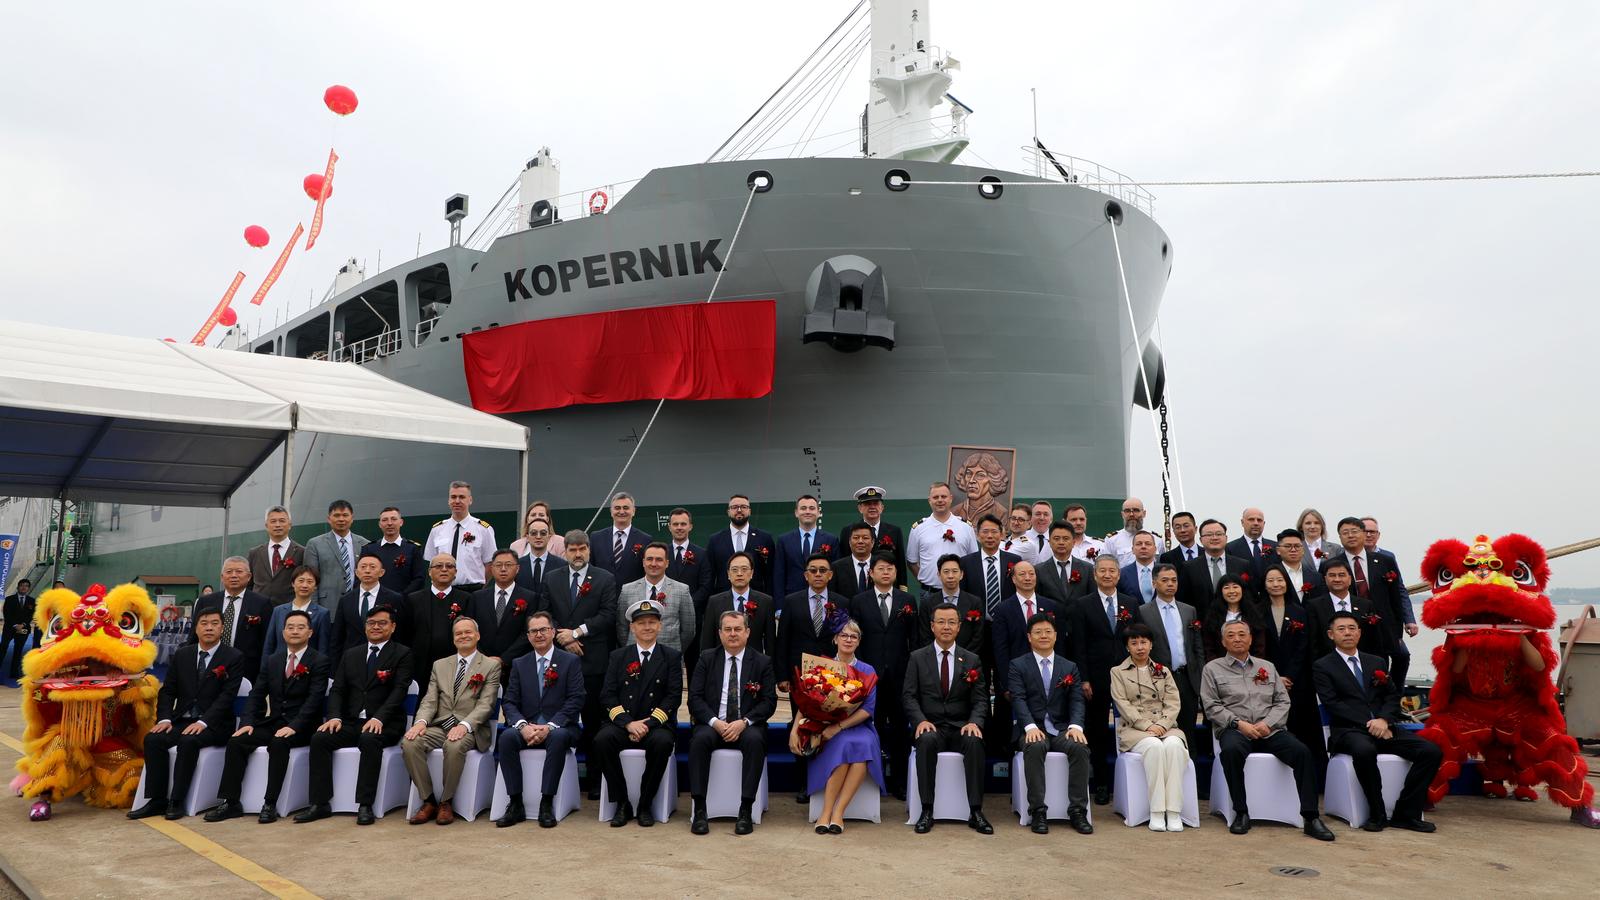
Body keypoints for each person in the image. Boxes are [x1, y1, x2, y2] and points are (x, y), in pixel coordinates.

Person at [1202, 620, 1335, 841]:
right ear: (1223, 641)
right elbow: (1211, 706)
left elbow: (1282, 702)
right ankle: (1241, 812)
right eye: (1232, 635)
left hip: (1269, 730)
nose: (1237, 639)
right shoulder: (1212, 669)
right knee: (1232, 752)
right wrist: (1239, 724)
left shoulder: (1267, 667)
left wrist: (1268, 724)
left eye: (1242, 634)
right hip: (1236, 729)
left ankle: (1311, 817)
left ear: (1250, 639)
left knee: (1302, 753)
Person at [1313, 612, 1440, 833]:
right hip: (1348, 731)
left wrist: (1383, 720)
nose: (1347, 633)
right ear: (1331, 634)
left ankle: (1406, 813)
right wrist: (1371, 723)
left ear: (1360, 633)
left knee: (1430, 751)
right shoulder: (1323, 666)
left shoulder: (1376, 661)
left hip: (1385, 726)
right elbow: (1333, 704)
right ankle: (1377, 812)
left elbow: (1392, 696)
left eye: (1352, 628)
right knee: (1364, 750)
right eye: (1341, 629)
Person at [205, 609, 330, 823]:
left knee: (279, 742)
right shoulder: (274, 660)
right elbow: (256, 694)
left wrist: (295, 726)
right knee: (237, 741)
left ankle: (270, 803)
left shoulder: (319, 660)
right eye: (290, 627)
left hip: (303, 727)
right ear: (283, 633)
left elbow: (314, 700)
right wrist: (247, 722)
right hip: (274, 721)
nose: (295, 631)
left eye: (301, 627)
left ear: (310, 632)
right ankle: (231, 802)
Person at [296, 604, 414, 825]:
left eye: (382, 623)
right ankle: (319, 803)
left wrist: (379, 718)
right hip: (351, 721)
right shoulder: (351, 654)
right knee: (320, 738)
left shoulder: (402, 653)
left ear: (393, 627)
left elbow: (399, 691)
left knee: (369, 739)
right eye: (371, 623)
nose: (376, 627)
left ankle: (365, 804)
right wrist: (334, 716)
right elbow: (338, 689)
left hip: (385, 722)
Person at [128, 607, 245, 820]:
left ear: (222, 628)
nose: (209, 627)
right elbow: (168, 690)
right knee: (153, 739)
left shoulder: (234, 657)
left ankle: (177, 800)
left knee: (188, 740)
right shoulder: (183, 654)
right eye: (204, 623)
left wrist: (204, 722)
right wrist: (164, 718)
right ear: (196, 627)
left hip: (215, 724)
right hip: (183, 718)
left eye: (214, 623)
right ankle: (157, 800)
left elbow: (226, 697)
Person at [402, 616, 502, 825]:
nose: (463, 636)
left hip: (471, 729)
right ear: (453, 638)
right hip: (440, 726)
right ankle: (428, 800)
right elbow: (430, 700)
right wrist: (420, 722)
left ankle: (446, 802)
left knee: (454, 745)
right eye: (458, 633)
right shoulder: (440, 665)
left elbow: (486, 705)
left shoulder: (490, 666)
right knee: (410, 742)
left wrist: (464, 726)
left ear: (477, 635)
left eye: (468, 632)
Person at [544, 530, 619, 800]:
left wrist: (577, 633)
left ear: (589, 550)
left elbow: (609, 615)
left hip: (594, 660)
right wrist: (564, 639)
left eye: (582, 549)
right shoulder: (552, 578)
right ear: (564, 551)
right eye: (572, 549)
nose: (578, 554)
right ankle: (561, 779)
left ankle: (596, 780)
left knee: (594, 722)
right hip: (560, 660)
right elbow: (546, 612)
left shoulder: (605, 578)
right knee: (560, 718)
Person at [903, 603, 991, 834]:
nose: (946, 627)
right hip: (931, 725)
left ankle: (976, 810)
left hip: (961, 725)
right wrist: (920, 720)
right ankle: (927, 810)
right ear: (932, 626)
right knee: (926, 740)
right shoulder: (917, 658)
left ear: (959, 627)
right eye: (941, 622)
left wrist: (975, 722)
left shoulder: (971, 660)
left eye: (952, 622)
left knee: (974, 742)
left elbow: (981, 699)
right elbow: (909, 696)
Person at [595, 600, 683, 827]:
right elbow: (607, 695)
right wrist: (628, 724)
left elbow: (673, 696)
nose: (647, 627)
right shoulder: (618, 656)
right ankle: (622, 802)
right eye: (641, 623)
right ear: (632, 628)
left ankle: (645, 804)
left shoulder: (671, 656)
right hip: (624, 724)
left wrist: (649, 724)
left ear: (660, 626)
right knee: (602, 740)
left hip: (656, 726)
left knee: (662, 743)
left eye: (652, 622)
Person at [688, 610, 776, 835]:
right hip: (713, 724)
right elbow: (694, 698)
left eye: (738, 629)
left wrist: (744, 722)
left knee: (756, 740)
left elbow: (768, 702)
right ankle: (699, 809)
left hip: (746, 726)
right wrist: (716, 722)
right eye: (727, 629)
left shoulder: (762, 661)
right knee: (699, 740)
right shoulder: (707, 658)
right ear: (719, 633)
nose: (733, 634)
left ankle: (745, 809)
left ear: (748, 632)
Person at [494, 611, 585, 828]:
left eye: (544, 629)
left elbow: (576, 699)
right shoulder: (519, 663)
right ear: (528, 636)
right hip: (527, 726)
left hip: (559, 727)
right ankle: (515, 803)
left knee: (558, 737)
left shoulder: (570, 661)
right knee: (507, 738)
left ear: (553, 632)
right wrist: (523, 726)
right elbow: (509, 702)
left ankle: (546, 803)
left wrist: (550, 726)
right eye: (534, 631)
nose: (539, 635)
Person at [1008, 613, 1093, 834]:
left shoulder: (1069, 667)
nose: (1043, 636)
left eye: (1048, 631)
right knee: (1035, 746)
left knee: (1080, 748)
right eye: (1038, 632)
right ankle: (1038, 811)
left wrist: (1076, 726)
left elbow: (1076, 700)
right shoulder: (1018, 665)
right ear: (1029, 637)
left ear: (1056, 636)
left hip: (1061, 728)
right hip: (1033, 727)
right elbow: (1018, 699)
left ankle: (1077, 811)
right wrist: (1030, 727)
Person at [798, 618, 883, 834]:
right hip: (826, 726)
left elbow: (867, 710)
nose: (848, 639)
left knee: (860, 745)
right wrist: (795, 729)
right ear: (835, 639)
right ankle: (826, 812)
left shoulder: (867, 670)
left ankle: (838, 813)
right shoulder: (822, 666)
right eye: (844, 635)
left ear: (859, 641)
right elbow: (807, 700)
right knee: (847, 748)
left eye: (853, 636)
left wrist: (840, 726)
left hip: (858, 727)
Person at [1071, 554, 1140, 804]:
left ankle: (1131, 783)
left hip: (1127, 677)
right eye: (1103, 571)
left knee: (1131, 725)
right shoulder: (1083, 604)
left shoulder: (1130, 603)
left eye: (1112, 571)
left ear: (1119, 575)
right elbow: (1078, 645)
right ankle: (1101, 783)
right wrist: (1084, 679)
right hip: (1096, 677)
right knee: (1097, 731)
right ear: (1095, 574)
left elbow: (1138, 639)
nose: (1108, 575)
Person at [848, 553, 916, 799]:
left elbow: (914, 639)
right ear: (872, 573)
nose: (886, 572)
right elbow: (854, 638)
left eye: (890, 568)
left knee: (899, 730)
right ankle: (870, 780)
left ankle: (899, 782)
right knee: (870, 728)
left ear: (896, 573)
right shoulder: (859, 601)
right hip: (868, 677)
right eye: (881, 568)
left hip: (899, 675)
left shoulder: (908, 600)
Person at [1110, 623, 1189, 832]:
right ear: (1127, 647)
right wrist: (1147, 725)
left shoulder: (1163, 670)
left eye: (1143, 642)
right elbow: (1122, 704)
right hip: (1135, 728)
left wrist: (1162, 725)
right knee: (1154, 747)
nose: (1139, 647)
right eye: (1134, 643)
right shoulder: (1117, 672)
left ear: (1151, 644)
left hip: (1166, 725)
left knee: (1173, 746)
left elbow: (1174, 703)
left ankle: (1173, 812)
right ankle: (1156, 812)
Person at [1322, 517, 1410, 684]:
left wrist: (1397, 632)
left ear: (1363, 534)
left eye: (1354, 531)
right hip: (1349, 629)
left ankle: (1392, 703)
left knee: (1382, 672)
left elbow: (1395, 598)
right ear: (1340, 537)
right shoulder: (1333, 565)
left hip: (1382, 628)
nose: (1350, 536)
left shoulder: (1385, 561)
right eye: (1345, 533)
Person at [1260, 563, 1325, 770]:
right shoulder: (1258, 612)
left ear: (1286, 584)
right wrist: (1275, 675)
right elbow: (1259, 648)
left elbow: (1304, 647)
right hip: (1266, 678)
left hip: (1298, 680)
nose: (1275, 584)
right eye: (1270, 580)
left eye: (1279, 580)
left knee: (1305, 728)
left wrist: (1289, 675)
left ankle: (1314, 777)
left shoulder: (1300, 611)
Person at [1137, 564, 1204, 759]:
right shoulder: (1143, 611)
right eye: (1165, 580)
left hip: (1186, 678)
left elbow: (1197, 647)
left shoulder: (1188, 610)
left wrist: (1198, 676)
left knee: (1188, 731)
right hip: (1156, 679)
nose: (1170, 584)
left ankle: (1194, 785)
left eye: (1173, 580)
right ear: (1154, 583)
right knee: (1160, 731)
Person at [776, 553, 851, 694]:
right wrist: (782, 676)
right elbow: (782, 640)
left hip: (832, 671)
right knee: (800, 716)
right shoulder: (791, 602)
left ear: (830, 575)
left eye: (822, 570)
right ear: (806, 575)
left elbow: (846, 639)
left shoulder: (842, 602)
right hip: (798, 672)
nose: (818, 574)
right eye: (813, 570)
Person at [191, 556, 272, 683]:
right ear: (222, 577)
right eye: (229, 572)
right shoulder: (205, 601)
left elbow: (266, 641)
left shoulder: (262, 603)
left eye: (239, 571)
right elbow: (194, 636)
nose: (234, 575)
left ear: (249, 576)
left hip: (247, 670)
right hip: (208, 668)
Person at [406, 554, 477, 691]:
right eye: (438, 566)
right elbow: (407, 634)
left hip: (455, 664)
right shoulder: (414, 600)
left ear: (455, 572)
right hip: (421, 665)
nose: (444, 569)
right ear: (429, 571)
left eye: (449, 566)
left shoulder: (466, 599)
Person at [614, 542, 695, 656]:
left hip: (669, 658)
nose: (653, 563)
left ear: (667, 563)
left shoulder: (682, 590)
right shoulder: (627, 590)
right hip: (634, 658)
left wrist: (674, 652)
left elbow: (688, 631)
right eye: (649, 559)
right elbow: (622, 627)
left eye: (659, 560)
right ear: (643, 562)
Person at [1307, 560, 1392, 663]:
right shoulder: (1314, 606)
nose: (1337, 579)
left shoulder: (1366, 605)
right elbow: (1312, 643)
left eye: (1341, 575)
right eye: (1332, 575)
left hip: (1362, 663)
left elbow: (1375, 640)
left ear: (1350, 579)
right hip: (1327, 665)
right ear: (1325, 579)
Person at [423, 481, 497, 592]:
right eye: (453, 497)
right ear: (448, 501)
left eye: (462, 497)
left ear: (470, 500)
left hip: (473, 590)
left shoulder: (483, 529)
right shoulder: (437, 530)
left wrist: (480, 586)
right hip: (443, 590)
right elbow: (431, 562)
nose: (457, 501)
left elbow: (490, 563)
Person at [905, 482, 977, 592]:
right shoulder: (918, 528)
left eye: (944, 496)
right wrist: (926, 580)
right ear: (929, 500)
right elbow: (912, 562)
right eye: (935, 497)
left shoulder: (966, 527)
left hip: (960, 591)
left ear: (951, 498)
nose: (940, 500)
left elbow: (973, 560)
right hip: (929, 593)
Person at [701, 552, 775, 657]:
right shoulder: (714, 602)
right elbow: (707, 641)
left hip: (755, 665)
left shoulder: (765, 602)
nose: (739, 573)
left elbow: (770, 643)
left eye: (744, 569)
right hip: (722, 663)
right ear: (728, 574)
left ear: (752, 573)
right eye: (734, 570)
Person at [471, 549, 537, 663]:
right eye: (498, 565)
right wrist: (483, 658)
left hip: (516, 662)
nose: (503, 569)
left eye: (508, 565)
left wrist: (504, 659)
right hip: (481, 662)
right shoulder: (477, 597)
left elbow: (527, 632)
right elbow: (471, 629)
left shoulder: (530, 598)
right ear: (491, 569)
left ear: (517, 569)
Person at [301, 500, 368, 610]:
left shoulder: (365, 544)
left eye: (345, 515)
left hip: (358, 606)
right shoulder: (315, 544)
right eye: (336, 515)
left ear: (352, 518)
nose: (341, 519)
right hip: (327, 607)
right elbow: (310, 578)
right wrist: (313, 608)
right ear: (329, 519)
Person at [991, 561, 1059, 669]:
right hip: (1016, 670)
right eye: (1022, 574)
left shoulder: (1051, 606)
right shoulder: (1003, 609)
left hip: (1048, 668)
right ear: (1013, 579)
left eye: (1031, 574)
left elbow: (1059, 643)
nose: (1028, 578)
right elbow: (1001, 648)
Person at [337, 551, 405, 656]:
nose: (367, 571)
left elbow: (401, 633)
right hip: (352, 657)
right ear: (356, 572)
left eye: (372, 567)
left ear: (382, 572)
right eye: (363, 567)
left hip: (385, 656)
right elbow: (337, 636)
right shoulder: (346, 599)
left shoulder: (394, 598)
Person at [1179, 519, 1251, 619]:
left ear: (1226, 538)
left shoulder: (1242, 565)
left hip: (1236, 624)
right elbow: (1184, 600)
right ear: (1200, 540)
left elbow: (1250, 597)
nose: (1214, 538)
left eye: (1218, 534)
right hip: (1202, 625)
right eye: (1209, 535)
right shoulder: (1189, 567)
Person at [706, 494, 776, 595]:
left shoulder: (765, 538)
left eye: (743, 507)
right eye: (734, 507)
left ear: (750, 511)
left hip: (758, 599)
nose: (739, 510)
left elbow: (771, 574)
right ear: (728, 512)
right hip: (723, 599)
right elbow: (710, 576)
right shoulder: (715, 540)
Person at [664, 508, 714, 650]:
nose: (679, 527)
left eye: (683, 524)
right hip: (666, 618)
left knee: (694, 663)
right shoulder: (662, 554)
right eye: (675, 524)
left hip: (694, 618)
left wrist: (686, 605)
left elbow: (706, 586)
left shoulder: (702, 554)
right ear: (669, 527)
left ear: (690, 526)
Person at [774, 494, 840, 601]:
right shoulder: (783, 540)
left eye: (812, 508)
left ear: (819, 513)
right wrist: (779, 607)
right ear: (796, 513)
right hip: (791, 599)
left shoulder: (831, 540)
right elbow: (779, 575)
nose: (807, 511)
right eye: (803, 508)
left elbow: (835, 575)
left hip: (823, 599)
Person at [915, 554, 983, 651]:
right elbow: (924, 636)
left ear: (961, 574)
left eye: (955, 571)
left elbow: (978, 636)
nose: (950, 576)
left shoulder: (974, 602)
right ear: (939, 574)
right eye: (946, 572)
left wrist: (964, 657)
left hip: (967, 659)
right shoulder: (927, 603)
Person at [262, 564, 332, 660]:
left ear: (315, 586)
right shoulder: (278, 611)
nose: (304, 585)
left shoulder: (322, 613)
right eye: (301, 581)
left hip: (308, 667)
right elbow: (269, 645)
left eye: (310, 582)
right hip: (278, 666)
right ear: (293, 584)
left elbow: (323, 648)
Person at [960, 514, 1022, 619]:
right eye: (985, 531)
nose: (989, 536)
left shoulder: (1015, 560)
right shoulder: (966, 562)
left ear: (1002, 535)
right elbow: (963, 594)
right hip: (977, 622)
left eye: (994, 532)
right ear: (977, 535)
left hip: (1007, 620)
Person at [588, 491, 654, 586]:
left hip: (633, 596)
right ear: (611, 511)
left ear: (633, 511)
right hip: (602, 595)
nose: (621, 512)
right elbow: (591, 569)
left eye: (626, 508)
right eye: (617, 508)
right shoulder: (596, 537)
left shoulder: (645, 540)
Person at [1201, 574, 1268, 662]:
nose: (1231, 591)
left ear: (1242, 590)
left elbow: (1260, 647)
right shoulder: (1213, 616)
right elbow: (1209, 647)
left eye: (1235, 587)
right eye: (1226, 587)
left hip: (1250, 668)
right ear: (1220, 592)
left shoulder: (1253, 615)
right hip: (1220, 669)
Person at [247, 506, 305, 604]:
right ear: (266, 525)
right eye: (273, 521)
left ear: (290, 524)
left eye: (282, 521)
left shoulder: (301, 552)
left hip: (289, 610)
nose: (277, 525)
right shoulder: (255, 553)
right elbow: (249, 584)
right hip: (259, 610)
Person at [855, 485, 907, 586]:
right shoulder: (849, 532)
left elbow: (900, 564)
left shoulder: (894, 531)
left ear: (882, 507)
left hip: (888, 587)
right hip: (860, 586)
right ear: (860, 508)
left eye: (876, 503)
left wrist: (902, 588)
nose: (872, 507)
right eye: (867, 503)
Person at [369, 506, 427, 597]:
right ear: (379, 524)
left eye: (394, 519)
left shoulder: (413, 548)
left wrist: (400, 597)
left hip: (404, 603)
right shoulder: (370, 549)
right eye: (384, 520)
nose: (389, 523)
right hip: (375, 602)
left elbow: (419, 579)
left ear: (401, 522)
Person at [1035, 520, 1095, 605]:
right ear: (1049, 542)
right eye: (1056, 539)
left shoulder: (1087, 569)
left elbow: (1092, 599)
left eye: (1066, 538)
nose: (1061, 542)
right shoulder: (1039, 570)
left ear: (1073, 542)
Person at [513, 518, 565, 603]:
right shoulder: (516, 565)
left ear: (549, 537)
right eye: (533, 533)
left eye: (543, 533)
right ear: (527, 537)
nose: (538, 536)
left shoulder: (561, 565)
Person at [951, 451, 1010, 523]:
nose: (972, 480)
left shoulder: (1001, 513)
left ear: (993, 479)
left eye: (980, 475)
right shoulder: (954, 511)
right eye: (969, 474)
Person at [1104, 497, 1164, 566]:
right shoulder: (1111, 540)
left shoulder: (1157, 540)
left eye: (1136, 510)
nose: (1131, 514)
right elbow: (1106, 566)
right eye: (1127, 511)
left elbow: (1161, 568)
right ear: (1122, 514)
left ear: (1144, 513)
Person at [832, 521, 879, 599]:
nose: (860, 541)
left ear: (873, 542)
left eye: (865, 538)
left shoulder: (880, 565)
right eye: (856, 538)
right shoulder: (837, 567)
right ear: (850, 542)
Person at [1273, 529, 1320, 598]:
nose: (1293, 550)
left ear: (1303, 550)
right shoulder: (1271, 575)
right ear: (1278, 550)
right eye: (1288, 546)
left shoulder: (1316, 576)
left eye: (1297, 546)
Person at [3, 578, 35, 680]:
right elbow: (7, 614)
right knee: (2, 648)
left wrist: (23, 624)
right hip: (9, 628)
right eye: (22, 585)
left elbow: (31, 615)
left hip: (23, 629)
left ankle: (14, 673)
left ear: (28, 588)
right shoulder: (9, 599)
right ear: (18, 587)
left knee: (18, 651)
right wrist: (15, 625)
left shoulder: (32, 601)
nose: (23, 587)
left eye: (26, 586)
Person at [1118, 531, 1161, 604]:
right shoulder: (1122, 574)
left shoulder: (1164, 572)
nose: (1143, 547)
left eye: (1148, 544)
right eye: (1139, 544)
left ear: (1155, 549)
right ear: (1132, 549)